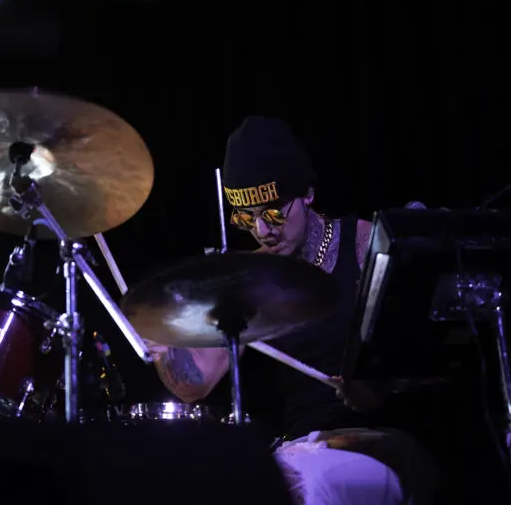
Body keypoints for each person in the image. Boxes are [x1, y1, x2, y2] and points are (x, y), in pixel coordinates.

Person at [148, 116, 436, 504]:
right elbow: (194, 384)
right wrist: (160, 341)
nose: (263, 231)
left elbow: (431, 360)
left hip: (385, 442)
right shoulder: (252, 279)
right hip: (304, 445)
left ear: (308, 193)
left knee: (311, 484)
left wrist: (382, 385)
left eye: (273, 213)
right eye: (246, 218)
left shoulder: (365, 244)